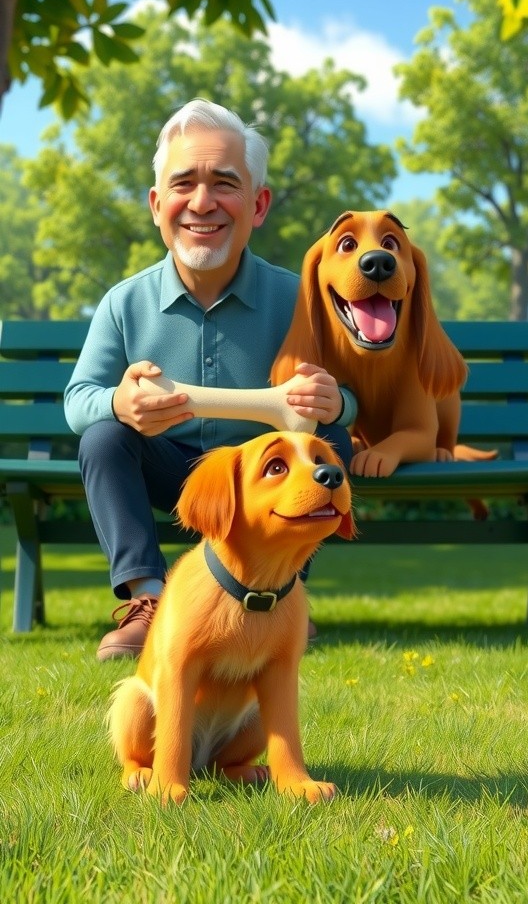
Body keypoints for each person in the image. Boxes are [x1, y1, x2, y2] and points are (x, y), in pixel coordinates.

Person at [64, 99, 356, 661]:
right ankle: (150, 604)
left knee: (329, 442)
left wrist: (335, 402)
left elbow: (353, 401)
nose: (202, 203)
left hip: (263, 482)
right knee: (102, 437)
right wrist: (120, 403)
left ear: (258, 203)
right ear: (156, 205)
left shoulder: (301, 298)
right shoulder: (123, 303)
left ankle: (281, 594)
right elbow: (78, 403)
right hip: (167, 471)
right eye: (183, 185)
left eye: (225, 183)